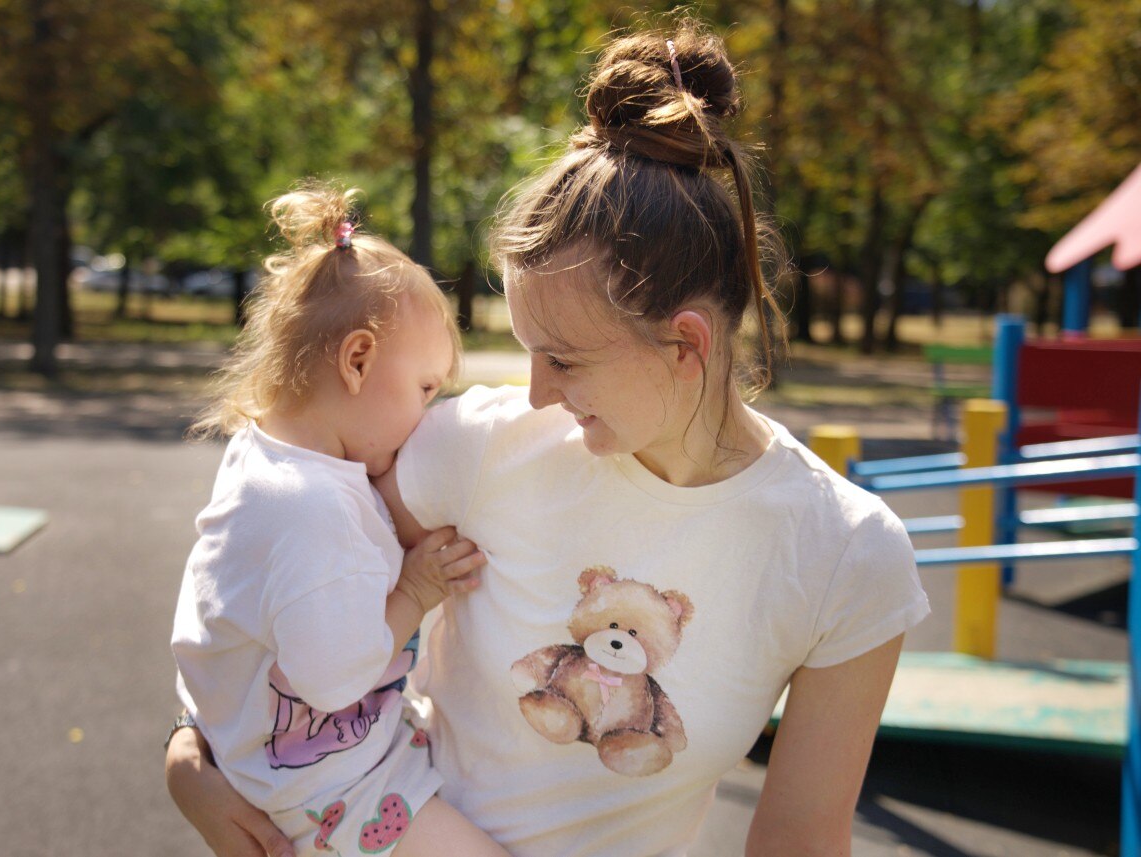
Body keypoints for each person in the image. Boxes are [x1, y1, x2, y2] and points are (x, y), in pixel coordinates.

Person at [167, 18, 929, 857]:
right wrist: (193, 751)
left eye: (563, 357)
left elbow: (800, 840)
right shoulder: (479, 446)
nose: (535, 393)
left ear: (688, 345)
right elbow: (278, 591)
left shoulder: (846, 553)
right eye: (531, 353)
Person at [171, 183, 509, 857]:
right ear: (357, 361)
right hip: (329, 796)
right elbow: (333, 679)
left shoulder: (260, 456)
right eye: (424, 388)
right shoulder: (316, 511)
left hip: (269, 762)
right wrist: (414, 592)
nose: (429, 411)